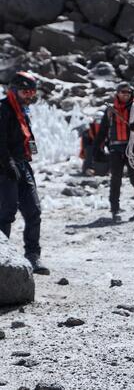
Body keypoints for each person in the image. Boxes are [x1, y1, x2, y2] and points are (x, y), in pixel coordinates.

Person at [0, 71, 48, 274]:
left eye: (31, 92)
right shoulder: (3, 109)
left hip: (22, 165)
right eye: (25, 91)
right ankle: (3, 259)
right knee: (6, 213)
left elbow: (27, 138)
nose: (29, 95)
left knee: (33, 211)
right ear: (14, 90)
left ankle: (32, 256)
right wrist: (7, 163)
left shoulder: (22, 110)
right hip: (4, 167)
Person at [94, 83, 134, 223]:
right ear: (117, 93)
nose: (125, 94)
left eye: (128, 92)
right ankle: (115, 210)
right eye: (123, 92)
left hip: (133, 148)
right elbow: (102, 131)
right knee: (115, 180)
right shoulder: (110, 110)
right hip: (115, 148)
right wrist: (97, 148)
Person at [79, 111, 108, 176]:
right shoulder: (87, 133)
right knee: (90, 149)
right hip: (92, 156)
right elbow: (85, 149)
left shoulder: (107, 130)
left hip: (101, 154)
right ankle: (88, 169)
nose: (99, 123)